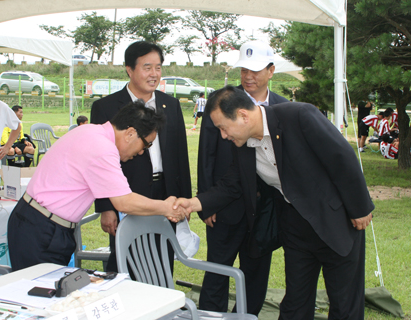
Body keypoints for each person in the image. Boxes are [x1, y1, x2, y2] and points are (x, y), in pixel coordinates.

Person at [176, 86, 374, 320]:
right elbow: (232, 184)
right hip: (295, 228)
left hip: (335, 221)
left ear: (243, 115)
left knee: (344, 303)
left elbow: (342, 157)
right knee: (295, 303)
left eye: (223, 127)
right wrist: (193, 204)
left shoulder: (300, 116)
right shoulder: (243, 145)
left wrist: (360, 208)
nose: (223, 135)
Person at [7, 100, 187, 271]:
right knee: (38, 297)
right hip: (41, 229)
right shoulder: (102, 147)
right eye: (146, 145)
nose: (141, 152)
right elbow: (124, 202)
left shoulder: (92, 132)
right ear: (130, 133)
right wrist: (166, 207)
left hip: (42, 223)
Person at [197, 40, 288, 315]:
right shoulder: (222, 102)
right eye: (244, 70)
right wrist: (207, 204)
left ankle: (246, 316)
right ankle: (211, 315)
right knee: (217, 271)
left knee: (256, 274)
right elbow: (206, 156)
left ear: (271, 71)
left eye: (256, 70)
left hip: (266, 210)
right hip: (226, 206)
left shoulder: (283, 108)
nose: (248, 76)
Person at [90, 41, 192, 273]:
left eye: (158, 67)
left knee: (163, 258)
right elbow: (99, 162)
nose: (154, 74)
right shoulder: (106, 107)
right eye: (147, 67)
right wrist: (107, 207)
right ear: (129, 69)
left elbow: (179, 155)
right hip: (127, 195)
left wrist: (183, 200)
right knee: (125, 259)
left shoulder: (171, 105)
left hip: (166, 192)